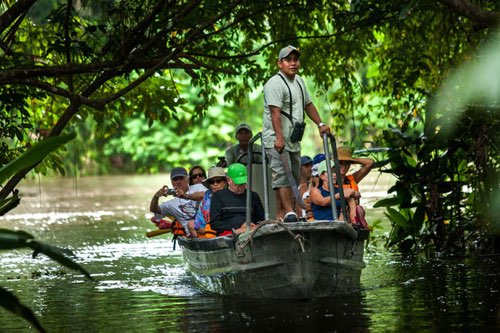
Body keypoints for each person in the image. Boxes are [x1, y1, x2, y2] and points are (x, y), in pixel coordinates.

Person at [262, 45, 331, 222]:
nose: (293, 63)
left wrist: (320, 123)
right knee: (281, 176)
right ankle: (289, 212)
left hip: (293, 140)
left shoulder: (299, 81)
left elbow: (308, 104)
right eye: (288, 60)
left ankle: (281, 215)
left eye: (295, 60)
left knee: (292, 175)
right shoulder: (274, 84)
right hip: (276, 139)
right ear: (280, 63)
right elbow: (274, 112)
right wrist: (278, 138)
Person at [210, 163, 265, 236]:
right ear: (228, 180)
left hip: (252, 231)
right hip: (230, 232)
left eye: (242, 184)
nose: (240, 187)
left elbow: (261, 220)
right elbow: (215, 224)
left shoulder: (253, 196)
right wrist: (239, 226)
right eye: (237, 184)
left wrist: (251, 225)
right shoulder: (219, 196)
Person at [150, 167, 207, 235]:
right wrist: (156, 196)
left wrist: (185, 196)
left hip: (208, 228)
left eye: (181, 178)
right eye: (175, 179)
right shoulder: (170, 204)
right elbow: (154, 209)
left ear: (188, 179)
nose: (178, 181)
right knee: (191, 225)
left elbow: (205, 195)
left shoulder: (199, 187)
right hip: (193, 234)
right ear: (172, 182)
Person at [336, 147, 375, 224]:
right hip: (338, 217)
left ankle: (355, 222)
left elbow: (370, 163)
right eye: (341, 163)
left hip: (352, 218)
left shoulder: (353, 179)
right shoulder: (329, 180)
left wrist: (352, 160)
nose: (344, 166)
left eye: (347, 163)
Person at [187, 167, 227, 238]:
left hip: (226, 228)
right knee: (191, 224)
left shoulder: (230, 195)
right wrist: (206, 229)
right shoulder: (207, 196)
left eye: (218, 181)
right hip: (207, 229)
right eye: (212, 182)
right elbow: (199, 222)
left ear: (224, 182)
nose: (215, 184)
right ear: (209, 185)